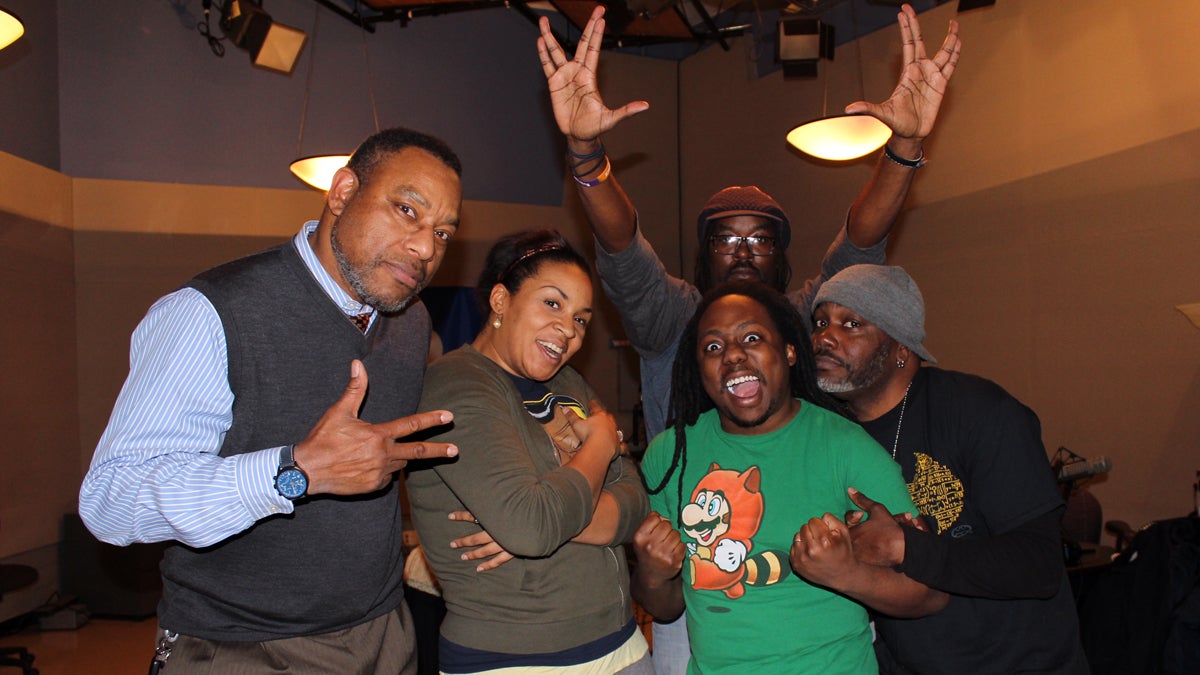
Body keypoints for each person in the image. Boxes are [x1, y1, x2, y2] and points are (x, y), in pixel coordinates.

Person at [538, 7, 960, 668]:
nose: (742, 251)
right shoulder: (672, 317)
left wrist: (903, 150)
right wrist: (587, 157)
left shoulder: (803, 320)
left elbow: (860, 246)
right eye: (725, 239)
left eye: (760, 239)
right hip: (705, 602)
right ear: (702, 256)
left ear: (788, 345)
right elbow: (623, 248)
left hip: (821, 598)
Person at [78, 127, 464, 673]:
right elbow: (111, 502)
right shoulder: (210, 312)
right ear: (342, 191)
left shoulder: (410, 321)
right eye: (406, 210)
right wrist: (295, 471)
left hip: (384, 633)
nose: (425, 248)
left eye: (444, 233)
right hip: (243, 647)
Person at [633, 281, 946, 674]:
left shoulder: (844, 446)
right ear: (699, 369)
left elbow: (932, 594)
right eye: (713, 347)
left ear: (790, 351)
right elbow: (664, 607)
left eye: (751, 337)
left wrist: (849, 574)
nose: (732, 355)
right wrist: (652, 572)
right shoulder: (670, 454)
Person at [810, 264, 1090, 674]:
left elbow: (1038, 563)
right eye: (820, 322)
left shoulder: (979, 411)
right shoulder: (825, 435)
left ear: (901, 347)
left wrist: (905, 548)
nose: (825, 338)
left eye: (851, 323)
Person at [405, 230, 652, 674]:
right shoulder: (457, 383)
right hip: (516, 658)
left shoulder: (568, 383)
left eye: (581, 318)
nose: (568, 330)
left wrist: (549, 518)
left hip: (620, 643)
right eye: (552, 303)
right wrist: (598, 442)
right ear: (501, 301)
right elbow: (531, 525)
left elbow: (635, 496)